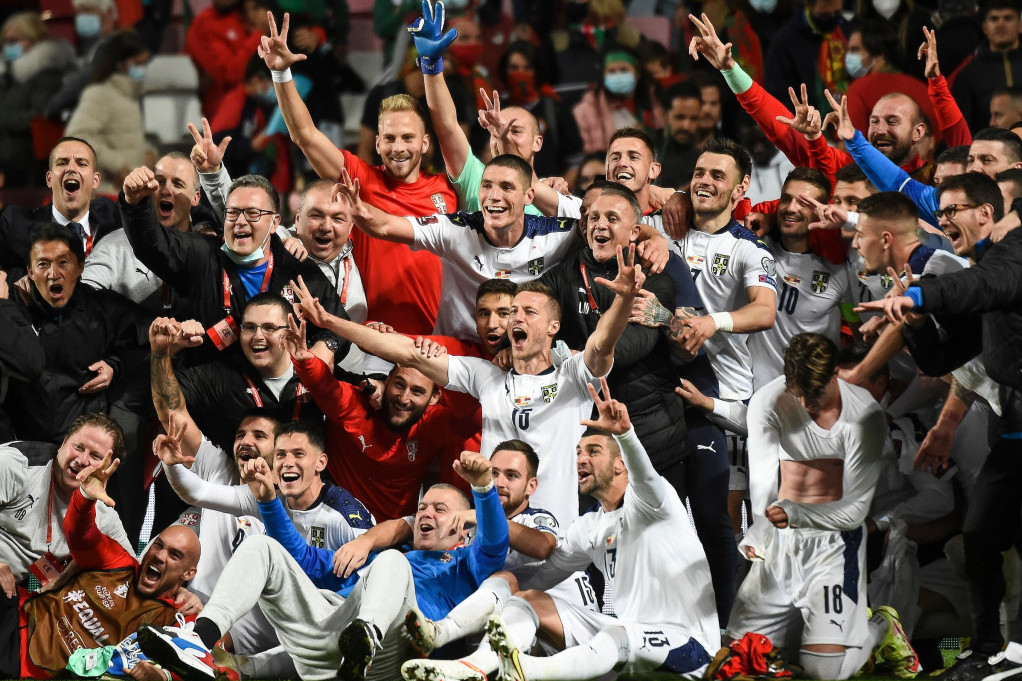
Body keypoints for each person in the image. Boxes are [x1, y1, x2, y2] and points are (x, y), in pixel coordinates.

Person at [288, 235, 643, 528]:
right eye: (513, 312)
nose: (515, 318)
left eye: (528, 312)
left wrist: (625, 300)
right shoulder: (485, 376)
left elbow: (601, 345)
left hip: (553, 536)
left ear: (553, 327)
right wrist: (331, 322)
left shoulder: (574, 377)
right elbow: (406, 352)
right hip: (487, 537)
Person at [403, 379, 720, 681]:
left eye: (593, 452)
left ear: (620, 464)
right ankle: (472, 666)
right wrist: (499, 591)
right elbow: (543, 575)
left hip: (690, 647)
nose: (581, 459)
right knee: (528, 600)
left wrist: (625, 435)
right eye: (579, 452)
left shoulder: (654, 503)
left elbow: (645, 475)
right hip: (624, 646)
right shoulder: (589, 527)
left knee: (617, 634)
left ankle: (528, 671)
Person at [139, 449, 508, 681]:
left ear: (463, 530)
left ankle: (365, 640)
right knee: (263, 547)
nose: (426, 513)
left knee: (392, 562)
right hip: (329, 634)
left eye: (440, 509)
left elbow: (494, 544)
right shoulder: (373, 556)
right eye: (423, 507)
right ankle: (198, 640)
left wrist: (483, 489)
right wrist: (268, 501)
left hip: (393, 651)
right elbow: (303, 561)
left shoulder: (464, 564)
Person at [858, 172, 1022, 681]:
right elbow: (948, 358)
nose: (943, 219)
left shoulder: (1010, 256)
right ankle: (991, 650)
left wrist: (918, 297)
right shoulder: (983, 266)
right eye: (941, 210)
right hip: (1012, 429)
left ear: (987, 214)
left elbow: (982, 286)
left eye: (954, 210)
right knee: (980, 536)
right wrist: (915, 324)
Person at [728, 332, 919, 679]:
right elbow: (763, 479)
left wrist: (794, 513)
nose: (806, 405)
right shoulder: (768, 401)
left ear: (835, 374)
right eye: (798, 393)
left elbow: (855, 509)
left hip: (835, 542)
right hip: (783, 536)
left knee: (823, 672)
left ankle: (880, 626)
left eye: (814, 394)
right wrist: (761, 530)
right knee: (741, 656)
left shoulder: (864, 413)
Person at [259, 11, 456, 335]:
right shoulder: (359, 180)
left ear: (425, 143)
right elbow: (305, 135)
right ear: (377, 143)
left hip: (438, 343)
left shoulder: (449, 189)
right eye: (389, 138)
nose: (398, 147)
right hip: (373, 343)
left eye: (408, 138)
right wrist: (281, 73)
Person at [119, 168, 348, 367]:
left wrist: (324, 349)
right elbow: (153, 244)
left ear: (274, 223)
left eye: (253, 213)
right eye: (233, 212)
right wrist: (135, 204)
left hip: (277, 394)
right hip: (210, 388)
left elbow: (338, 326)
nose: (240, 221)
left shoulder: (297, 269)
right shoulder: (200, 254)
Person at [402, 439, 598, 662]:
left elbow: (542, 546)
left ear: (531, 486)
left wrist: (480, 515)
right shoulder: (469, 525)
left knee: (504, 580)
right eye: (493, 473)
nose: (499, 483)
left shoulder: (535, 518)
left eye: (511, 476)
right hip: (509, 623)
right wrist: (371, 540)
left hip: (566, 624)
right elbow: (409, 524)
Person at [11, 452, 200, 678]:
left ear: (188, 573)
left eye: (174, 555)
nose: (159, 555)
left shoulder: (179, 618)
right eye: (158, 545)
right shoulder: (119, 561)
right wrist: (85, 498)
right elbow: (80, 535)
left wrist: (164, 676)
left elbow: (207, 667)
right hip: (19, 621)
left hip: (47, 667)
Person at [283, 314, 471, 521]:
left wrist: (440, 364)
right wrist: (304, 361)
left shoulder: (434, 424)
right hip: (338, 525)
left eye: (417, 392)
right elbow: (324, 386)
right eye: (399, 385)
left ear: (435, 397)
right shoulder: (356, 405)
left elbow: (472, 417)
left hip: (398, 533)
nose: (404, 398)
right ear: (386, 380)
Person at [0, 414, 133, 675]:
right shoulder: (17, 464)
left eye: (95, 456)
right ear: (63, 444)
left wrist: (180, 595)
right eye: (78, 447)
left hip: (11, 594)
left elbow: (130, 571)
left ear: (108, 468)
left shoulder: (103, 514)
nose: (82, 460)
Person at [0, 223, 150, 445]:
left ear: (81, 267)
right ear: (30, 271)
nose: (53, 274)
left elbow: (152, 337)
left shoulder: (104, 308)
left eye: (63, 263)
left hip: (84, 450)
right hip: (21, 448)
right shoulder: (11, 308)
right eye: (43, 264)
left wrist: (116, 365)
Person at [748, 167, 854, 389]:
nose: (791, 208)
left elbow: (857, 333)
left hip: (812, 394)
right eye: (786, 199)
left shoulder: (840, 269)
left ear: (821, 212)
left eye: (803, 203)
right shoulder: (756, 248)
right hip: (754, 391)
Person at [82, 153, 204, 313]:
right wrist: (136, 321)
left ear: (195, 197)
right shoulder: (114, 246)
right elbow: (83, 299)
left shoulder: (207, 246)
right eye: (159, 182)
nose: (166, 190)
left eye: (178, 184)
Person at [0, 137, 120, 281]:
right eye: (62, 163)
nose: (71, 168)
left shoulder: (111, 216)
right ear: (49, 179)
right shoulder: (17, 224)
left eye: (81, 163)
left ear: (95, 180)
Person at [65, 30, 153, 196]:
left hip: (131, 191)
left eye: (145, 63)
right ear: (120, 63)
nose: (142, 69)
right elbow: (77, 137)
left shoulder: (131, 95)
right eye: (138, 63)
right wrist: (117, 167)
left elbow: (124, 137)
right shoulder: (99, 94)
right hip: (107, 190)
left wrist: (148, 152)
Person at [0, 12, 77, 187]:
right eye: (6, 41)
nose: (9, 47)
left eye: (14, 40)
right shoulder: (6, 75)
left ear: (35, 40)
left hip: (27, 165)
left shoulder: (47, 75)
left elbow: (40, 118)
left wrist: (4, 119)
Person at [950, 0, 1022, 131]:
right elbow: (962, 129)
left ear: (1020, 25)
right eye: (994, 19)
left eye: (1008, 18)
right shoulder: (967, 75)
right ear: (984, 27)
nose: (1001, 24)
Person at [184, 0, 265, 115]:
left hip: (261, 100)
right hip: (224, 108)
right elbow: (230, 76)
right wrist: (259, 35)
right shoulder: (205, 23)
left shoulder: (248, 14)